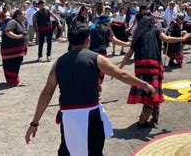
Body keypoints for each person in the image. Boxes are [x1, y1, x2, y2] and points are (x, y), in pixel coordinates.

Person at [25, 25, 155, 155]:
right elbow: (121, 75)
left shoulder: (59, 63)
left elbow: (47, 93)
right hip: (91, 114)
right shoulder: (95, 58)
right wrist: (144, 84)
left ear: (70, 41)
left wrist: (34, 122)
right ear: (87, 40)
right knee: (94, 151)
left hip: (68, 116)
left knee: (69, 150)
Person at [119, 13, 187, 128]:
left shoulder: (138, 35)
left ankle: (155, 117)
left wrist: (120, 67)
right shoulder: (156, 31)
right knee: (152, 94)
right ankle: (142, 120)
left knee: (151, 92)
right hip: (152, 66)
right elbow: (167, 39)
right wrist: (183, 38)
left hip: (140, 67)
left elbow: (128, 54)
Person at [1, 10, 28, 86]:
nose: (25, 16)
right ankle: (11, 81)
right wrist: (16, 37)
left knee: (16, 64)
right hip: (10, 49)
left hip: (18, 50)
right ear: (18, 15)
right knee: (11, 65)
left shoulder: (21, 23)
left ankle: (14, 80)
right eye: (24, 14)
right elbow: (7, 31)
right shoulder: (12, 22)